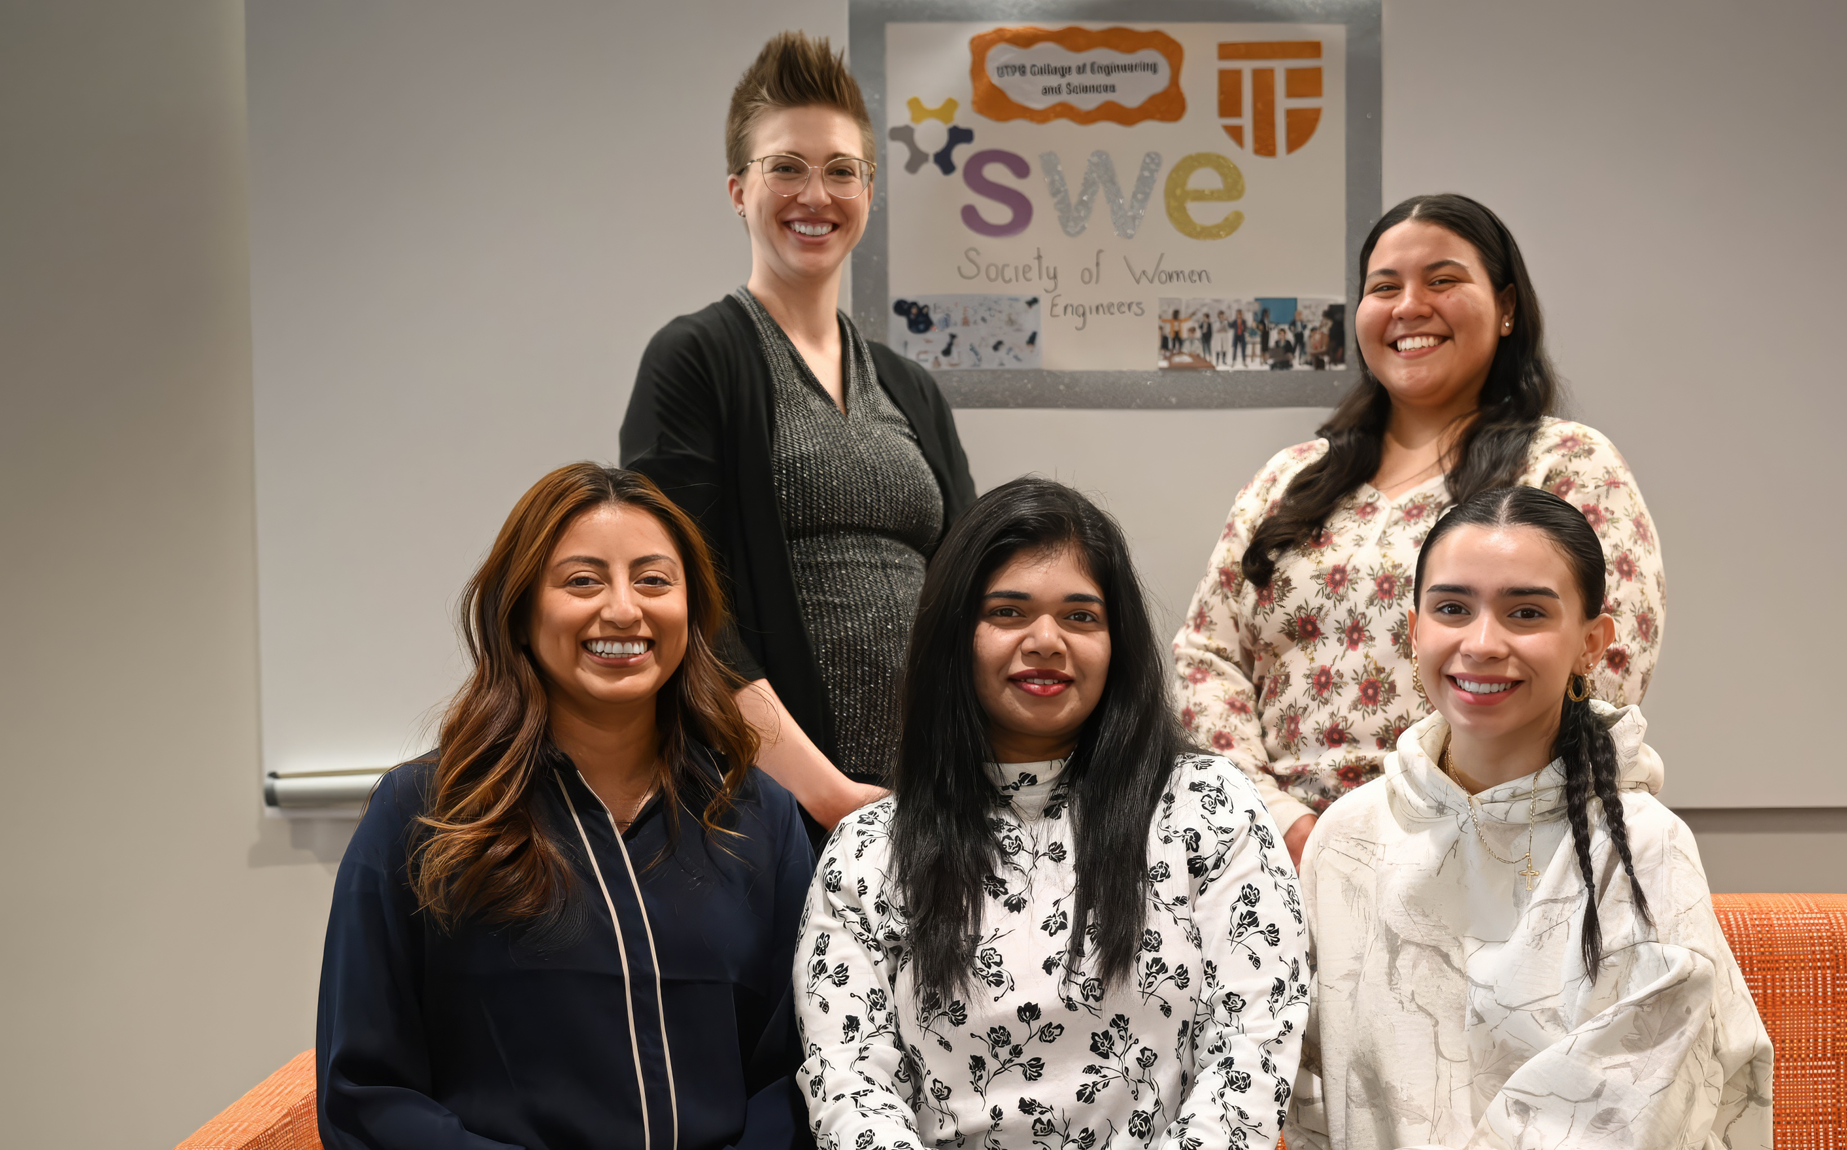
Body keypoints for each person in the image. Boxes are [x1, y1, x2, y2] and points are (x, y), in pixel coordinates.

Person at [794, 478, 1310, 1150]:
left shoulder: (1209, 809)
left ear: (1116, 643)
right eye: (1007, 612)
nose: (1045, 640)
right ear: (955, 635)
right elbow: (849, 1083)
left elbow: (1253, 1046)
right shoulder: (870, 848)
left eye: (1080, 616)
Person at [317, 463, 815, 1150]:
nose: (622, 609)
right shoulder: (421, 816)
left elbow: (797, 1074)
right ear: (520, 614)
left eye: (653, 580)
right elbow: (367, 1096)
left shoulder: (760, 818)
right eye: (582, 580)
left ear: (693, 612)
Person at [1173, 193, 1666, 866]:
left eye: (1443, 280)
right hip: (1274, 859)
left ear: (1508, 307)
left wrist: (1440, 821)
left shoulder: (1569, 465)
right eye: (1384, 287)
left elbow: (1603, 666)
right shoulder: (1289, 479)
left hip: (1486, 851)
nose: (1409, 306)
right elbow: (1207, 659)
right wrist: (1282, 823)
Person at [1289, 486, 1771, 1150]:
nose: (1482, 644)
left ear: (1590, 643)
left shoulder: (1642, 846)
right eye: (1452, 608)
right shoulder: (1348, 838)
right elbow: (1312, 1091)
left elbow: (1632, 1110)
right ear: (1414, 630)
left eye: (1526, 613)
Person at [620, 31, 976, 843]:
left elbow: (977, 587)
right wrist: (830, 796)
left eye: (841, 170)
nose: (815, 195)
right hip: (770, 812)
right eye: (786, 167)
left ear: (869, 191)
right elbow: (680, 607)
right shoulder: (695, 360)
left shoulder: (912, 387)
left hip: (934, 803)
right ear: (739, 190)